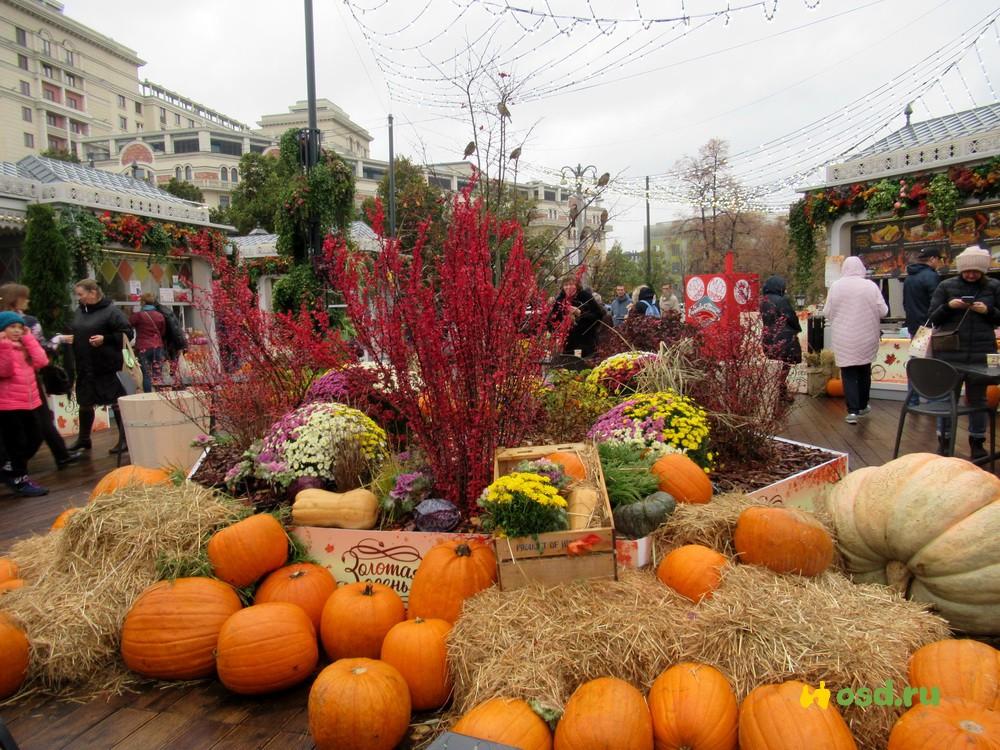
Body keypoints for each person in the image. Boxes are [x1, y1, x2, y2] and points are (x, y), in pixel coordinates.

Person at [927, 245, 1000, 460]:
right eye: (967, 271)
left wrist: (988, 311)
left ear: (983, 271)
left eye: (975, 271)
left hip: (981, 352)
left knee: (978, 400)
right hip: (949, 352)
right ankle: (945, 439)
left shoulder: (994, 286)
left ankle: (977, 442)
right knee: (948, 397)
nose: (970, 275)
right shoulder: (946, 286)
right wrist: (949, 307)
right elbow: (932, 318)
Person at [0, 283, 82, 468]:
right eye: (25, 297)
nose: (28, 300)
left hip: (16, 381)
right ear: (17, 299)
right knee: (38, 422)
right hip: (24, 380)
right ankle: (20, 464)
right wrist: (59, 339)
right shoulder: (26, 322)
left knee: (21, 426)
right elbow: (43, 351)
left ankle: (17, 462)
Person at [67, 279, 132, 454]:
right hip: (85, 366)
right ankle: (84, 439)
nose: (78, 298)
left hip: (107, 366)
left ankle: (125, 440)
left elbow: (127, 333)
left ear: (93, 293)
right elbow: (77, 330)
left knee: (116, 402)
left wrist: (106, 339)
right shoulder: (80, 312)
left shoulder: (112, 312)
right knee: (85, 402)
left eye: (81, 294)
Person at [822, 256, 887, 424]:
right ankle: (864, 405)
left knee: (848, 373)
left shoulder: (836, 287)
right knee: (864, 370)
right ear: (862, 268)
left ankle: (852, 411)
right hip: (866, 336)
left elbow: (827, 312)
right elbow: (883, 311)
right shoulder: (870, 286)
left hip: (843, 337)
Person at [0, 311, 49, 496]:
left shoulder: (23, 346)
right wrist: (3, 345)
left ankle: (10, 467)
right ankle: (20, 478)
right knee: (17, 443)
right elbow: (4, 371)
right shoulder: (3, 346)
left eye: (20, 327)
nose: (17, 331)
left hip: (29, 401)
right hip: (8, 404)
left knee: (36, 437)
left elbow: (42, 361)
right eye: (12, 327)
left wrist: (28, 338)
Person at [902, 248, 943, 406]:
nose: (939, 263)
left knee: (916, 366)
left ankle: (912, 400)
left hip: (916, 328)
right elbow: (936, 304)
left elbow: (906, 304)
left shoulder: (909, 278)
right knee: (934, 366)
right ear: (932, 259)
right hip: (930, 327)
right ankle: (933, 401)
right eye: (939, 259)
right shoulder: (932, 277)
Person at [760, 275, 802, 402]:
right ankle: (781, 391)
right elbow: (791, 317)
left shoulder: (763, 301)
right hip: (784, 337)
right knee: (785, 365)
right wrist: (797, 329)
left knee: (776, 366)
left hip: (768, 337)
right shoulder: (781, 300)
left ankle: (778, 391)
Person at [547, 277, 604, 363]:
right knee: (567, 367)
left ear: (577, 286)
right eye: (566, 285)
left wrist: (580, 313)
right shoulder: (560, 300)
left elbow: (599, 315)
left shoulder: (586, 296)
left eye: (571, 284)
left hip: (585, 341)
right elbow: (551, 321)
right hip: (566, 343)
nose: (568, 287)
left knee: (583, 367)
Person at [129, 292, 166, 393]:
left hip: (143, 347)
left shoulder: (138, 316)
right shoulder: (160, 316)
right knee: (157, 374)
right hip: (158, 347)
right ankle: (160, 396)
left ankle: (148, 396)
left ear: (143, 302)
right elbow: (162, 331)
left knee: (146, 374)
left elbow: (128, 325)